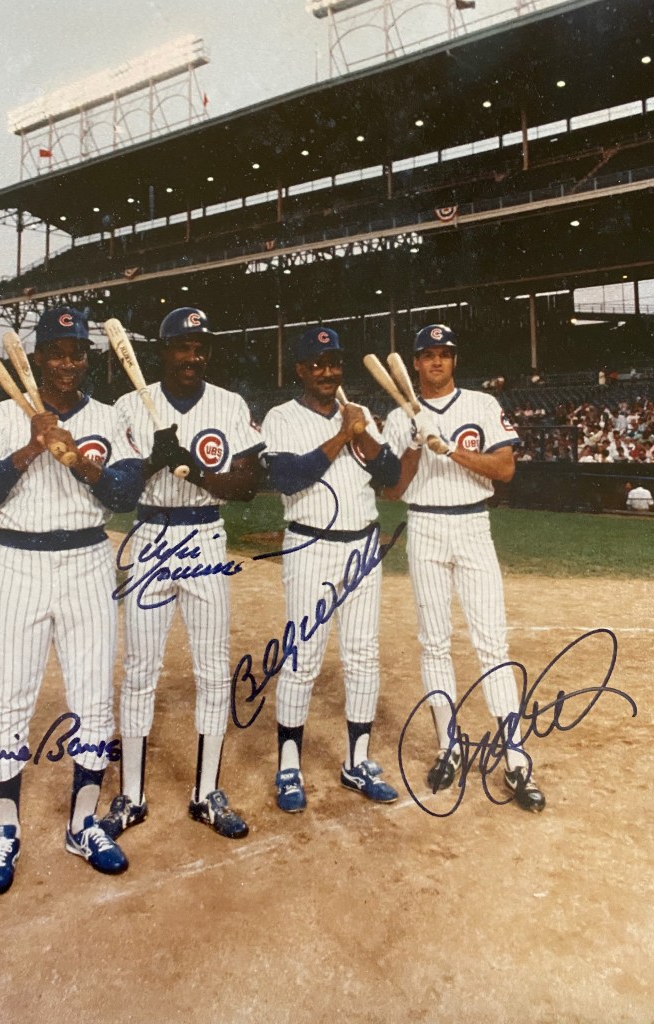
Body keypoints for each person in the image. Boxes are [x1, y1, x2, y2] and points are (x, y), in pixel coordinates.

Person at [0, 306, 142, 896]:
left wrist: (79, 463)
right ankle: (5, 833)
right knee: (10, 699)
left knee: (94, 697)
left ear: (87, 359)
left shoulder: (109, 418)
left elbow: (124, 492)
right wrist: (31, 448)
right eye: (57, 351)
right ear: (37, 357)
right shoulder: (0, 416)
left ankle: (83, 823)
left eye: (77, 352)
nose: (67, 362)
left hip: (88, 559)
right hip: (17, 561)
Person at [100, 307, 264, 841]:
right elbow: (118, 493)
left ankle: (206, 792)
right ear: (162, 352)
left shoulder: (229, 403)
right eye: (181, 347)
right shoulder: (128, 404)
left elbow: (245, 487)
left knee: (214, 669)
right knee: (141, 669)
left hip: (204, 537)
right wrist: (152, 460)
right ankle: (131, 796)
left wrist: (195, 466)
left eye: (200, 347)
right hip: (148, 537)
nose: (192, 356)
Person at [382, 324, 545, 813]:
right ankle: (448, 746)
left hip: (474, 526)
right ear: (415, 364)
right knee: (434, 641)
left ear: (454, 360)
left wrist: (450, 449)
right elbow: (392, 491)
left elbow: (505, 469)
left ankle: (515, 754)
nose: (436, 363)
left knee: (491, 640)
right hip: (426, 526)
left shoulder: (479, 404)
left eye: (444, 355)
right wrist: (415, 443)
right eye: (427, 355)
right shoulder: (397, 417)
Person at [261, 325, 402, 813]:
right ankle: (289, 766)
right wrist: (342, 436)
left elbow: (390, 480)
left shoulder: (360, 417)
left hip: (362, 545)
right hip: (311, 545)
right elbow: (285, 477)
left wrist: (367, 440)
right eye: (317, 364)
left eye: (334, 364)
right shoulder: (281, 417)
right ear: (300, 371)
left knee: (363, 654)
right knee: (303, 658)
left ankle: (357, 761)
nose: (327, 372)